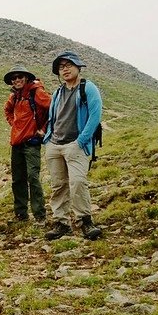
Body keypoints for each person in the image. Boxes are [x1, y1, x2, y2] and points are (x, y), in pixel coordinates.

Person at [43, 51, 103, 240]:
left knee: (77, 182)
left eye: (69, 65)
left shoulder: (88, 88)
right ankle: (61, 223)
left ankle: (85, 221)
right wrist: (48, 138)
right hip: (55, 145)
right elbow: (53, 117)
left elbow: (95, 117)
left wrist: (80, 142)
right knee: (58, 185)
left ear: (78, 67)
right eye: (61, 67)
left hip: (76, 145)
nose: (65, 69)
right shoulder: (58, 92)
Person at [3, 65, 52, 224]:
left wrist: (44, 129)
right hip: (16, 143)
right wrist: (15, 124)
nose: (16, 80)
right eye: (14, 78)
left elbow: (54, 109)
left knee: (33, 177)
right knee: (18, 179)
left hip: (31, 143)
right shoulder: (14, 97)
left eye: (20, 76)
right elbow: (7, 111)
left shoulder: (36, 92)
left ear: (27, 77)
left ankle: (39, 215)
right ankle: (21, 214)